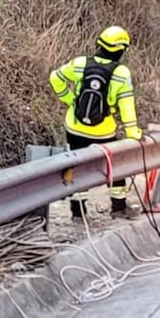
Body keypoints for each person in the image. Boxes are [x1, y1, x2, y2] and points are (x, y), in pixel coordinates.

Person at [49, 26, 143, 221]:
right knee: (115, 166)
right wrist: (133, 133)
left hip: (74, 128)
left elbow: (55, 78)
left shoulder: (80, 63)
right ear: (121, 49)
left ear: (99, 44)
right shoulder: (121, 72)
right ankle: (118, 208)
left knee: (76, 166)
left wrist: (70, 100)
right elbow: (126, 106)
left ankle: (78, 212)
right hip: (103, 131)